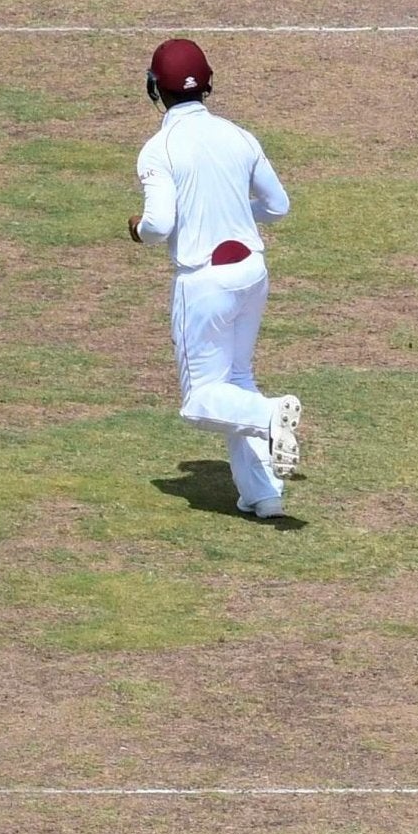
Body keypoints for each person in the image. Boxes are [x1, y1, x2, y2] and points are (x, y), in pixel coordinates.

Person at [128, 38, 303, 519]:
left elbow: (159, 224)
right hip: (252, 271)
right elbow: (277, 206)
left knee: (201, 399)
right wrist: (231, 209)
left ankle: (270, 415)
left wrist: (137, 232)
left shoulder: (158, 149)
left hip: (204, 281)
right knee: (237, 378)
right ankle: (262, 494)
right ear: (207, 84)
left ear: (154, 90)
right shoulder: (239, 136)